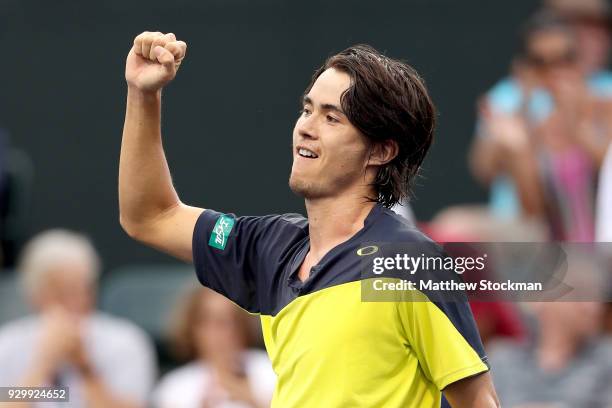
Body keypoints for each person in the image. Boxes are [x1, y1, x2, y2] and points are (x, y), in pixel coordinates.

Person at [118, 32, 499, 407]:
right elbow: (150, 216)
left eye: (332, 118)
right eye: (307, 109)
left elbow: (478, 400)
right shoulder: (267, 246)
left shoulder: (408, 262)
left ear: (381, 151)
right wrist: (143, 94)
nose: (306, 127)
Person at [0, 229, 157, 408]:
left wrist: (84, 367)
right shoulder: (8, 342)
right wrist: (42, 365)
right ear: (34, 296)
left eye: (79, 290)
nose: (72, 302)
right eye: (58, 293)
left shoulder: (125, 341)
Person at [153, 286, 275, 408]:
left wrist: (251, 399)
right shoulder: (173, 387)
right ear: (193, 327)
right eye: (214, 321)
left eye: (232, 320)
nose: (224, 331)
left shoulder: (271, 368)